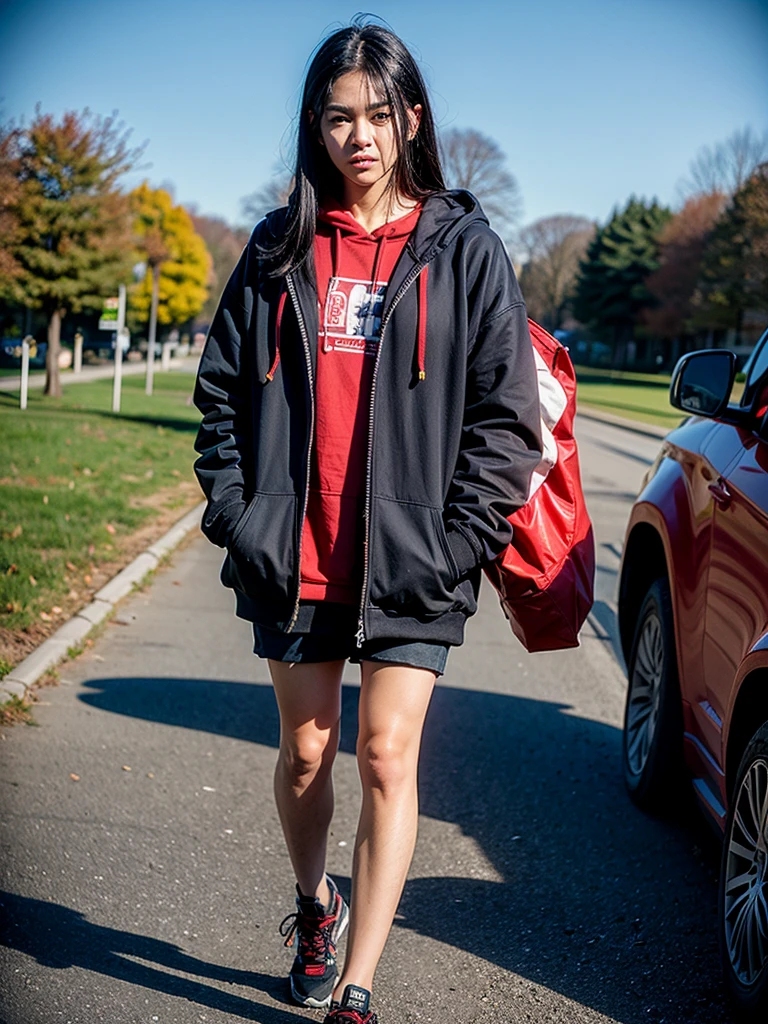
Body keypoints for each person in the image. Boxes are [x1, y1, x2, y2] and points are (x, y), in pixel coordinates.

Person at [193, 18, 542, 1024]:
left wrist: (462, 539)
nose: (358, 135)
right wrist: (237, 511)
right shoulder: (278, 245)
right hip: (294, 553)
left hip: (414, 561)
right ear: (316, 126)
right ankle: (316, 906)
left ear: (411, 118)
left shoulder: (465, 250)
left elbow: (503, 415)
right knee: (306, 753)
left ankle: (358, 984)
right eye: (338, 116)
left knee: (387, 756)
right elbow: (221, 393)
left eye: (377, 114)